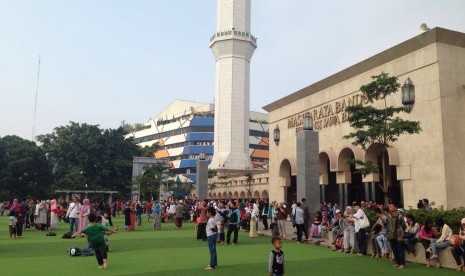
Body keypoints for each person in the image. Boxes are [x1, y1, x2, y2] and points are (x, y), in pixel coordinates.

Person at [387, 204, 407, 269]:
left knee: (400, 249)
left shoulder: (399, 216)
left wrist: (400, 231)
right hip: (391, 235)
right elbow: (388, 225)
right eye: (389, 207)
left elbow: (404, 226)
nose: (390, 208)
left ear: (395, 208)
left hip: (399, 235)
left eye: (391, 206)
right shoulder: (388, 216)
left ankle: (402, 264)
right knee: (394, 250)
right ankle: (397, 262)